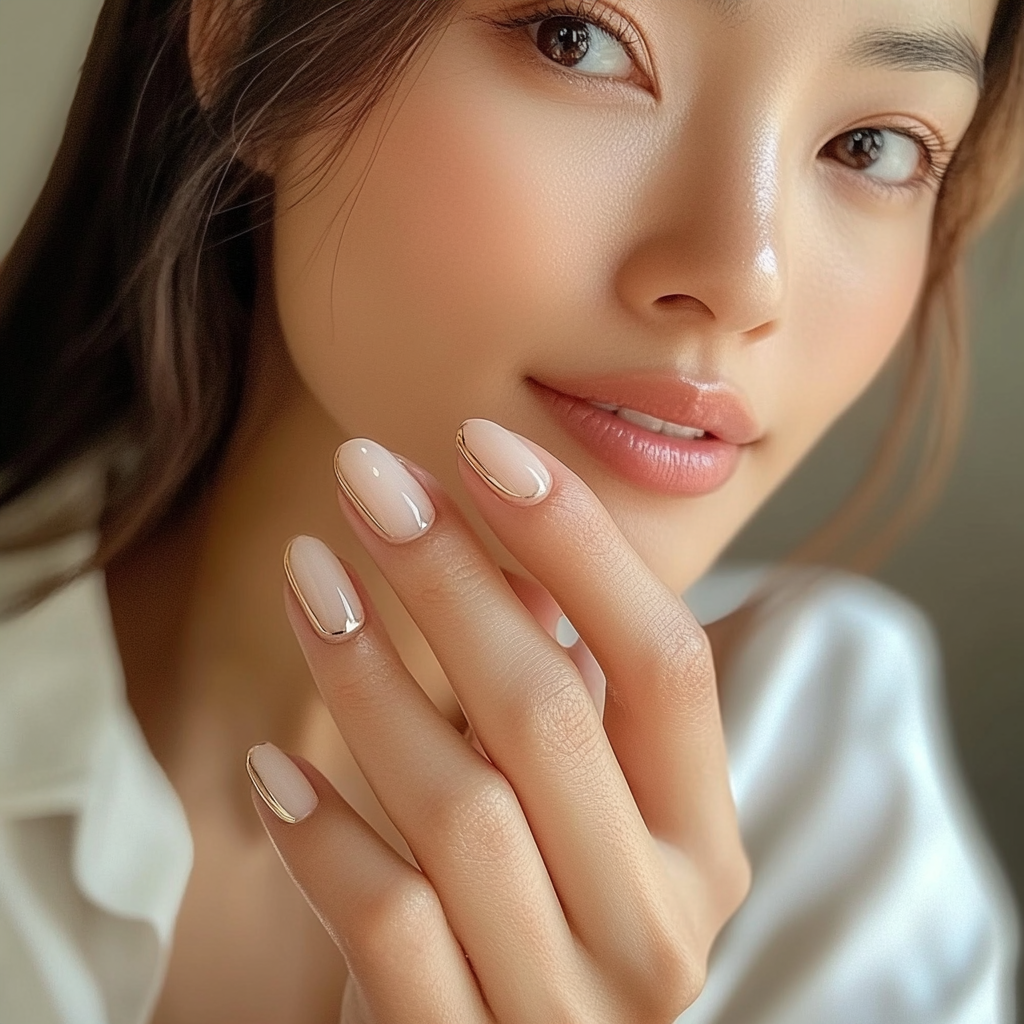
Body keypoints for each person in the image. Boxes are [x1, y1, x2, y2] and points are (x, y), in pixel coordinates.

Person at [0, 0, 1021, 1020]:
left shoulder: (831, 803)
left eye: (872, 145)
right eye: (579, 42)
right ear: (238, 32)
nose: (745, 275)